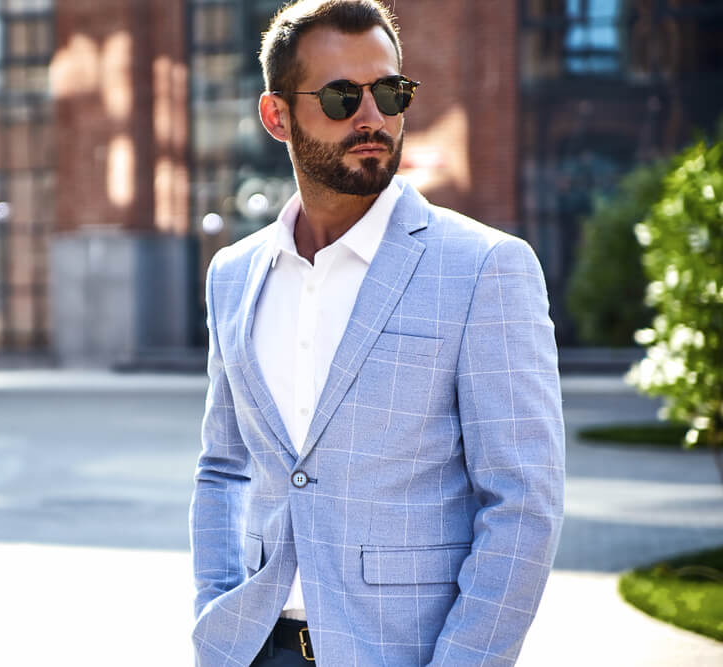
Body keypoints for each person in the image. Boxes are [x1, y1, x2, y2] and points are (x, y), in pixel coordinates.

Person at [189, 1, 565, 665]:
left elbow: (523, 503)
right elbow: (225, 466)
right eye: (340, 97)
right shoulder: (234, 275)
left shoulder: (484, 268)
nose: (372, 118)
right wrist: (217, 609)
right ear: (277, 116)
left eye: (389, 92)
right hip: (254, 646)